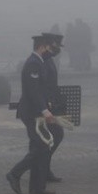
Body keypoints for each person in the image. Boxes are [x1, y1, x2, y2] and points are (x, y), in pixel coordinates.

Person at [6, 35, 57, 194]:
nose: (51, 50)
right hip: (31, 113)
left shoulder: (39, 62)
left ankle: (37, 188)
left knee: (39, 148)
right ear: (42, 46)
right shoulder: (33, 64)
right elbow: (33, 91)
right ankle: (14, 173)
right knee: (41, 147)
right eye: (49, 47)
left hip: (37, 112)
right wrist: (45, 110)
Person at [41, 32, 66, 183]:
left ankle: (44, 168)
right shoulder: (44, 60)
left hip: (51, 104)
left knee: (54, 136)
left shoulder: (49, 59)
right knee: (54, 136)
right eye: (56, 45)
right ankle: (38, 168)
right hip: (45, 106)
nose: (58, 49)